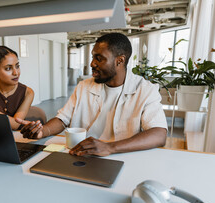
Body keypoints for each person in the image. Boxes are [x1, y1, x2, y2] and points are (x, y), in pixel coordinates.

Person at [16, 33, 167, 156]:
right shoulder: (84, 86)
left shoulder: (146, 90)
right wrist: (43, 132)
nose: (92, 63)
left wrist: (110, 147)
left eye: (99, 58)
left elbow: (159, 134)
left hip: (121, 156)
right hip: (80, 156)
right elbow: (63, 119)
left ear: (119, 61)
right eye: (93, 57)